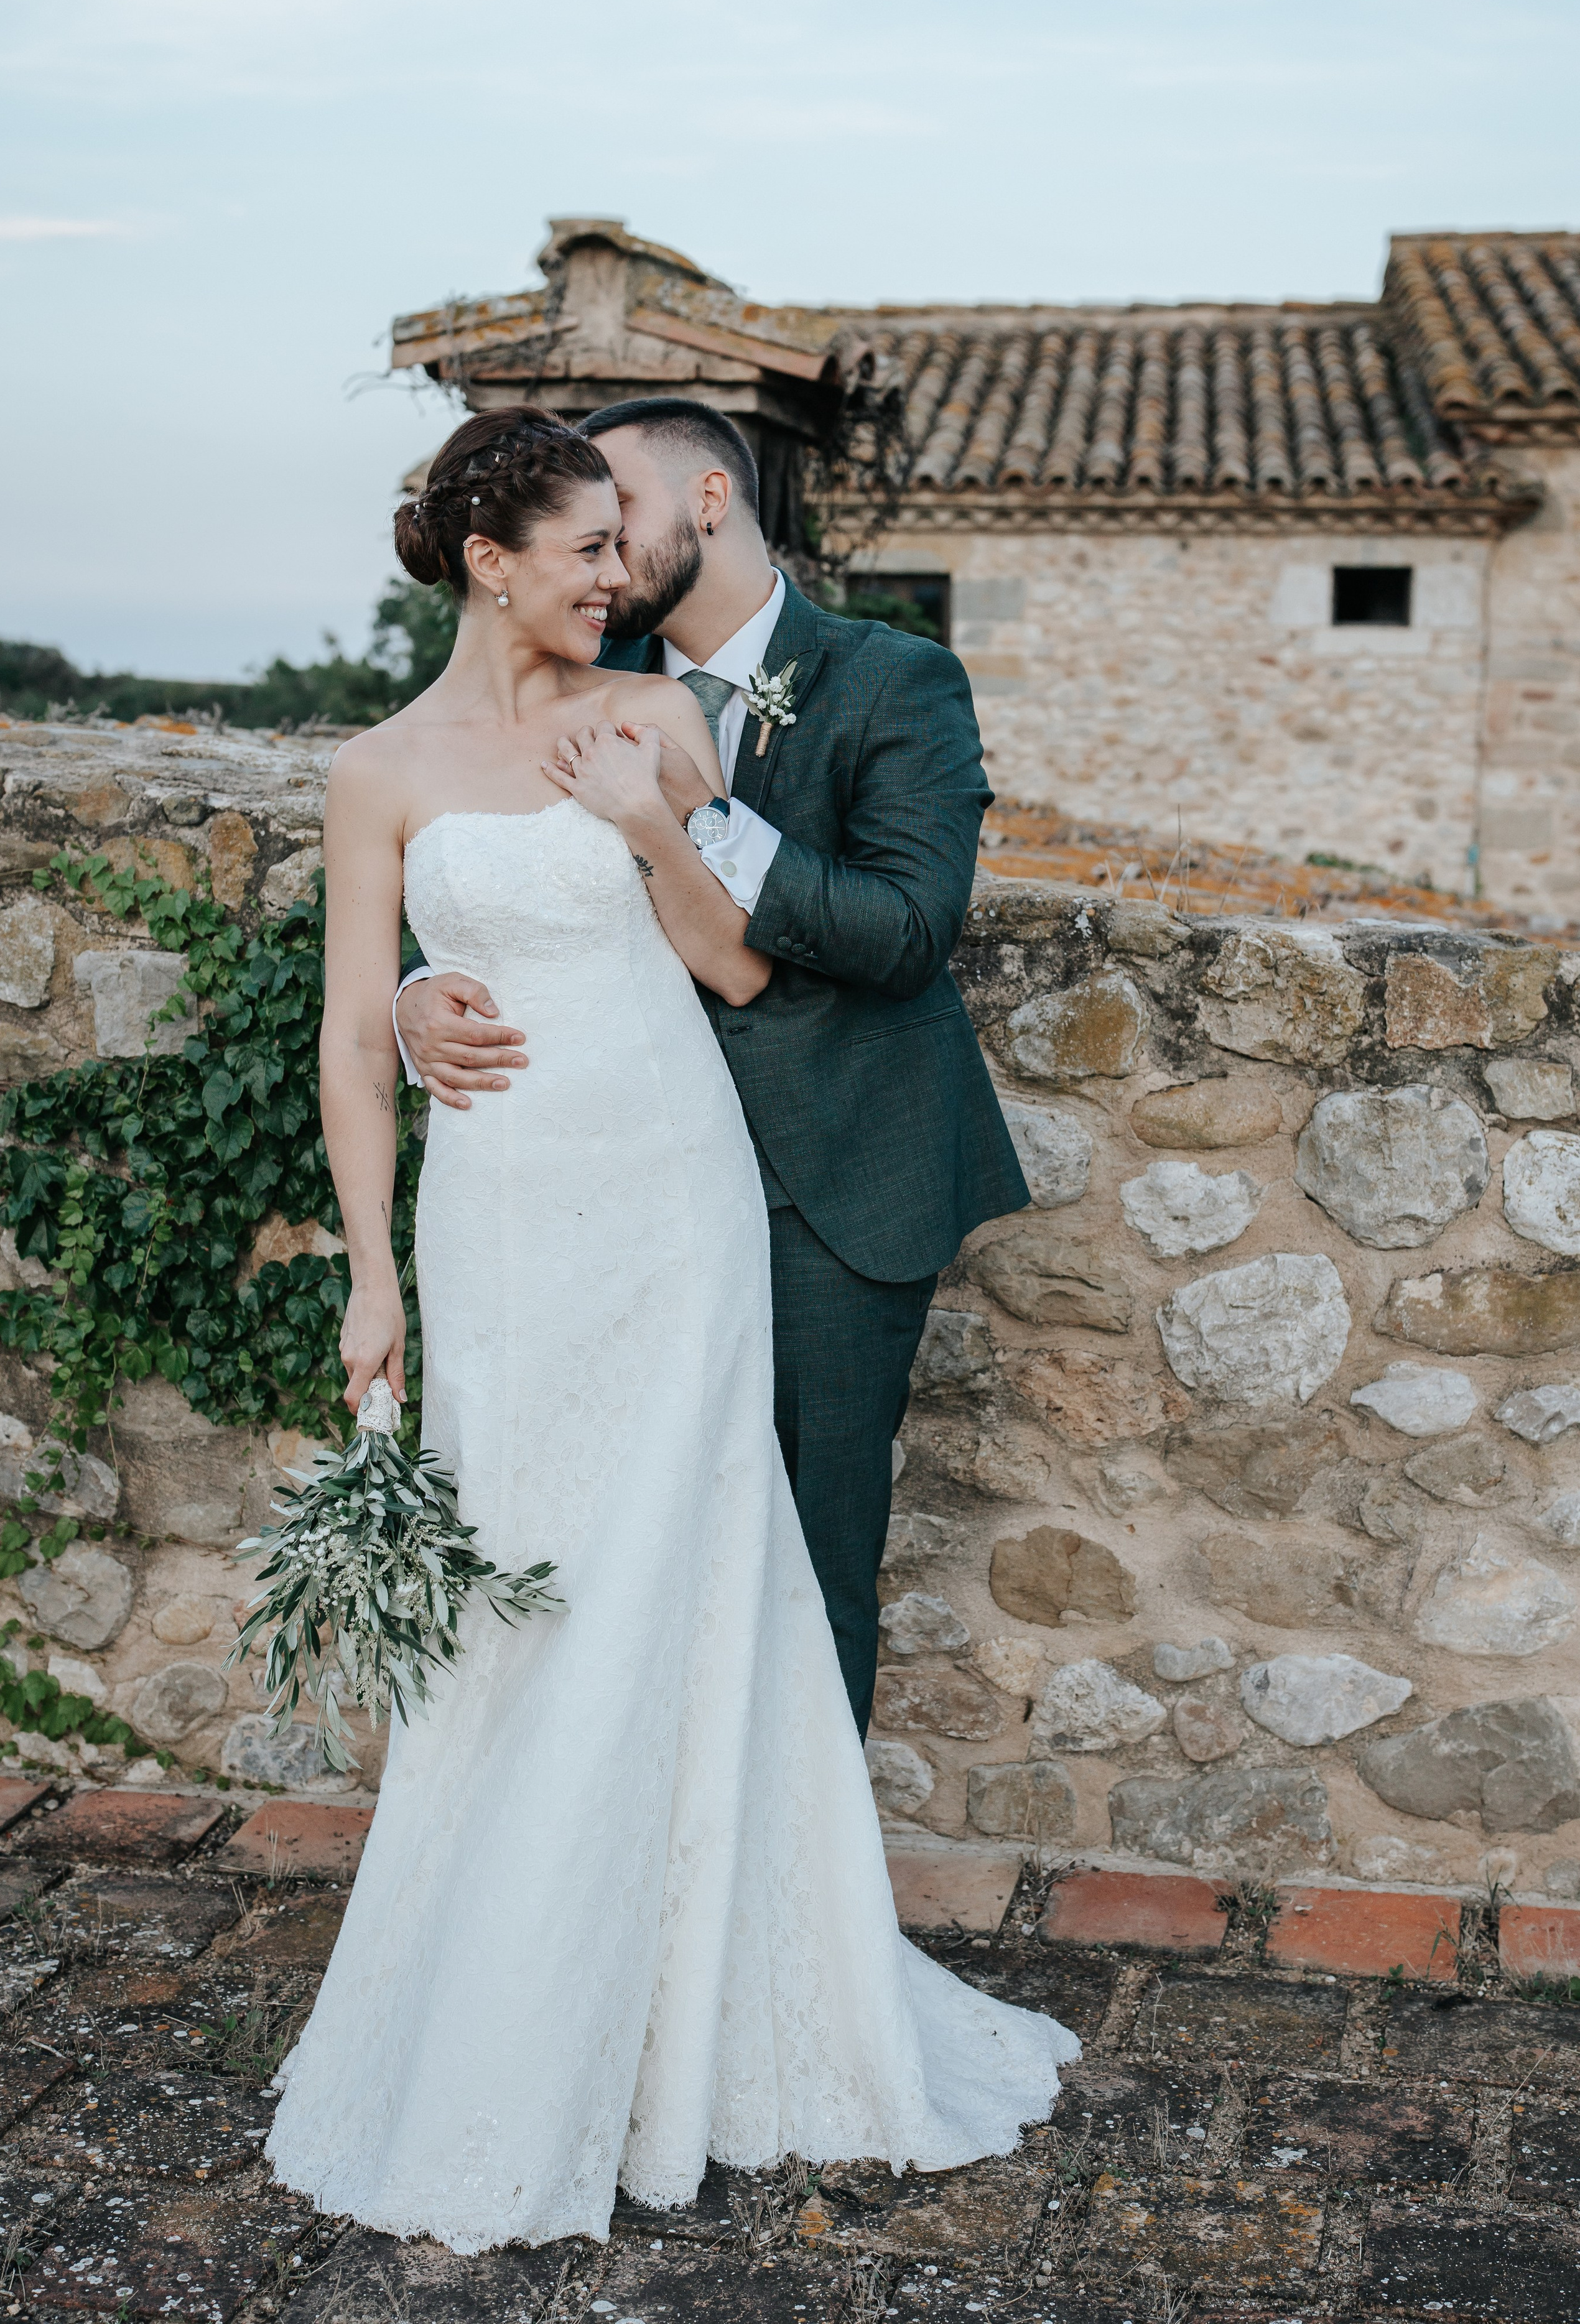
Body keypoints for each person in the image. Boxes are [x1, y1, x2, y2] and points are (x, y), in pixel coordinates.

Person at [264, 406, 1076, 2252]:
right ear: (495, 556)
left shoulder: (694, 712)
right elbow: (354, 1005)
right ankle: (523, 1983)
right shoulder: (391, 761)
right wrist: (392, 1101)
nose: (614, 571)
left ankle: (713, 1998)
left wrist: (661, 820)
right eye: (583, 542)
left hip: (706, 1192)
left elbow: (770, 954)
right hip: (511, 1211)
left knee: (722, 1578)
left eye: (622, 540)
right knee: (527, 1579)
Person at [394, 393, 1031, 1738]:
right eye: (575, 532)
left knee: (798, 1564)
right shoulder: (576, 667)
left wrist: (705, 819)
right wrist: (416, 994)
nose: (599, 553)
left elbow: (910, 933)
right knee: (615, 1553)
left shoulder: (893, 679)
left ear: (702, 501)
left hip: (828, 1185)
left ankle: (792, 1924)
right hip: (618, 1193)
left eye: (613, 513)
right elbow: (473, 841)